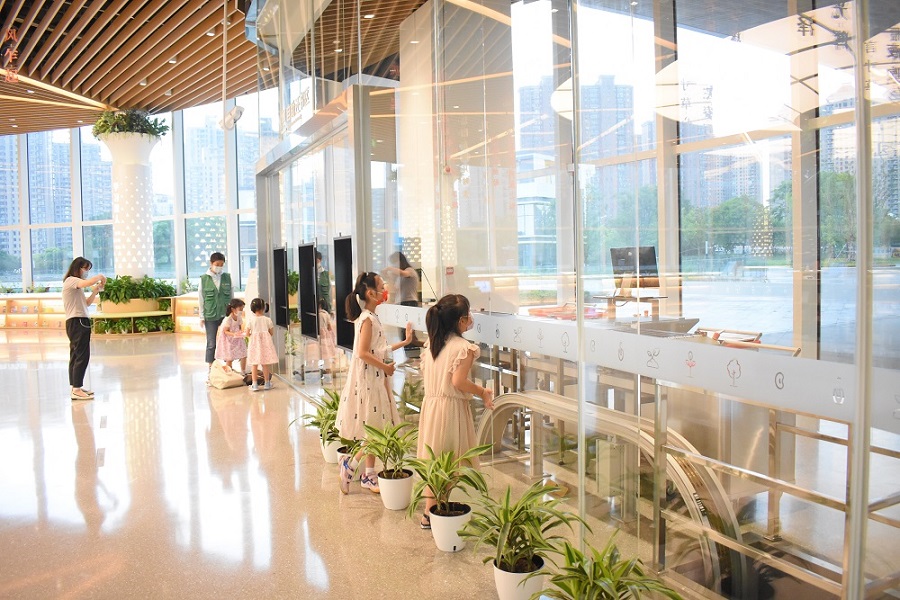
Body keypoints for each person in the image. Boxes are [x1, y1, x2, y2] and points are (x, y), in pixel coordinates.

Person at [416, 293, 494, 529]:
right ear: (461, 320)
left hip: (431, 407)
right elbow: (459, 382)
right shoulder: (464, 348)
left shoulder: (433, 343)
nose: (471, 319)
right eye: (468, 315)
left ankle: (430, 512)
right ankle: (434, 514)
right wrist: (482, 391)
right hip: (449, 410)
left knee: (434, 459)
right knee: (450, 459)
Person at [335, 272, 414, 494]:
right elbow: (362, 353)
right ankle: (350, 466)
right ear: (370, 293)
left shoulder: (370, 317)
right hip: (370, 380)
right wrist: (386, 367)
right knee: (375, 431)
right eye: (381, 286)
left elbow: (376, 350)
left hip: (374, 379)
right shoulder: (367, 319)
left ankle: (369, 475)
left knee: (374, 425)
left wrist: (405, 342)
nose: (384, 290)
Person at [62, 257, 107, 400]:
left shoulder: (75, 285)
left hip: (78, 321)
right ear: (78, 268)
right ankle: (76, 389)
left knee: (76, 355)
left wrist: (95, 291)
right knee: (82, 355)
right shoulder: (72, 280)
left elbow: (86, 303)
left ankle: (76, 387)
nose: (86, 272)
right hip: (77, 322)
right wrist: (99, 277)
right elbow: (87, 282)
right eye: (85, 269)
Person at [200, 252, 233, 381]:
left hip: (225, 314)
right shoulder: (204, 279)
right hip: (210, 314)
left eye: (221, 265)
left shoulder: (227, 277)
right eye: (217, 264)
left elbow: (231, 296)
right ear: (211, 264)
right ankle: (211, 367)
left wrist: (232, 314)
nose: (219, 267)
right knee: (211, 342)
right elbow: (201, 299)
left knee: (227, 341)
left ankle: (227, 366)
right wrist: (201, 317)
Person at [246, 298, 278, 392]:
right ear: (264, 307)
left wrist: (254, 336)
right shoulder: (267, 320)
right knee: (265, 364)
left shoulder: (251, 320)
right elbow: (271, 332)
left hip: (254, 344)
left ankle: (254, 384)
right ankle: (267, 383)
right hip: (265, 345)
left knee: (254, 364)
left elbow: (247, 333)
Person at [215, 298, 247, 375]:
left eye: (242, 309)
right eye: (240, 309)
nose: (241, 311)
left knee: (244, 354)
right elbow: (225, 331)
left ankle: (243, 371)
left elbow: (239, 326)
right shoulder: (228, 319)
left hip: (237, 338)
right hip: (228, 340)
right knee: (229, 357)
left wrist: (240, 332)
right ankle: (228, 373)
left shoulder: (239, 317)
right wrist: (234, 334)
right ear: (233, 309)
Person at [317, 297, 337, 376]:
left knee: (321, 352)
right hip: (326, 335)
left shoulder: (319, 314)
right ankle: (328, 369)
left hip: (320, 335)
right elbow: (329, 327)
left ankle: (322, 369)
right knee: (327, 353)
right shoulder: (326, 314)